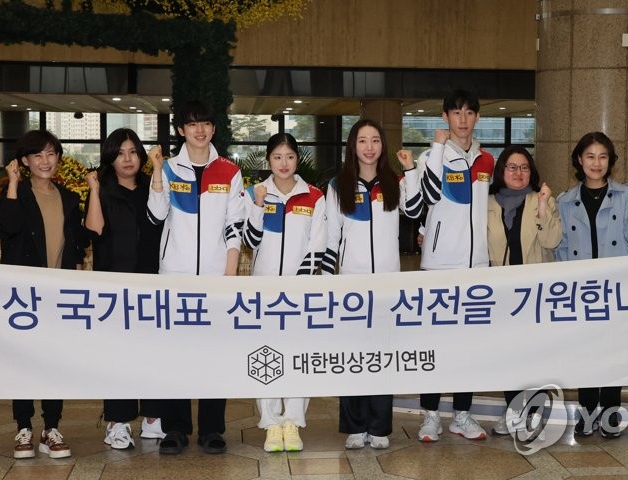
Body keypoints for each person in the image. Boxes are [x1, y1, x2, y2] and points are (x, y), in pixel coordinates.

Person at [147, 99, 243, 455]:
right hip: (176, 278)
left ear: (213, 129)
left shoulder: (229, 172)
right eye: (192, 124)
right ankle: (175, 428)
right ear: (180, 131)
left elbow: (236, 227)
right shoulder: (170, 168)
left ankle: (212, 429)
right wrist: (157, 171)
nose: (199, 130)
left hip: (217, 280)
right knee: (176, 355)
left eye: (205, 123)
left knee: (214, 355)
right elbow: (156, 215)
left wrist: (229, 276)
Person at [321, 118, 423, 450]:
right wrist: (327, 283)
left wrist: (410, 173)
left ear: (383, 146)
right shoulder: (338, 185)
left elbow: (414, 210)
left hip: (387, 286)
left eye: (375, 140)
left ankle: (379, 427)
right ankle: (354, 425)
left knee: (381, 355)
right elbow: (330, 237)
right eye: (362, 140)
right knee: (353, 356)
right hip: (350, 285)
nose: (369, 147)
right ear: (353, 146)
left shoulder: (394, 181)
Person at [0, 129, 87, 459]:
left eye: (51, 154)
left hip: (57, 293)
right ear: (24, 161)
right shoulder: (15, 195)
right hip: (22, 294)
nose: (45, 161)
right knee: (21, 360)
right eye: (37, 155)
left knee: (53, 361)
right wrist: (12, 184)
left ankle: (51, 427)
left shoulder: (68, 197)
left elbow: (75, 242)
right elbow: (4, 227)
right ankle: (23, 427)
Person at [555, 131, 628, 438]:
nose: (596, 163)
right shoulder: (565, 201)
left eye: (603, 157)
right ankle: (586, 412)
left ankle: (609, 414)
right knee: (586, 353)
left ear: (611, 161)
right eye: (590, 156)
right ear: (579, 160)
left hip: (615, 287)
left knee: (612, 352)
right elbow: (561, 249)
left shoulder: (624, 195)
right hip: (581, 289)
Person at [416, 89, 495, 442]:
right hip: (439, 265)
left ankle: (462, 414)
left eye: (469, 113)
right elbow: (425, 199)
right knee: (435, 342)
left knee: (470, 346)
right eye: (456, 113)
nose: (463, 119)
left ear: (476, 118)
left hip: (476, 265)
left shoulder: (486, 161)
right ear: (446, 117)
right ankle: (430, 416)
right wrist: (425, 231)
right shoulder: (431, 156)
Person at [241, 132, 326, 452]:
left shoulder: (314, 196)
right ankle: (271, 424)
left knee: (299, 356)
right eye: (277, 157)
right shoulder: (256, 193)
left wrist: (299, 286)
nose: (284, 163)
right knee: (265, 355)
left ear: (297, 159)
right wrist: (259, 204)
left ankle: (292, 422)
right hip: (264, 290)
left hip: (300, 292)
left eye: (289, 156)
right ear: (268, 160)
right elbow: (250, 239)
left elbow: (317, 246)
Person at [83, 128, 166, 450]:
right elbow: (94, 230)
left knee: (153, 350)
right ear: (110, 158)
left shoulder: (153, 187)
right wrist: (93, 190)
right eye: (120, 153)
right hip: (114, 283)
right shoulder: (103, 189)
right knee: (118, 354)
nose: (127, 159)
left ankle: (152, 417)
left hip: (153, 280)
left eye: (133, 152)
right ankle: (117, 422)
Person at [485, 146, 562, 437]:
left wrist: (542, 208)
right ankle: (513, 412)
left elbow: (552, 241)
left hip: (535, 292)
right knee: (509, 356)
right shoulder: (487, 202)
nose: (518, 173)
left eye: (524, 168)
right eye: (512, 167)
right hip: (501, 294)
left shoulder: (542, 200)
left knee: (534, 356)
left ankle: (533, 414)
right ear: (501, 171)